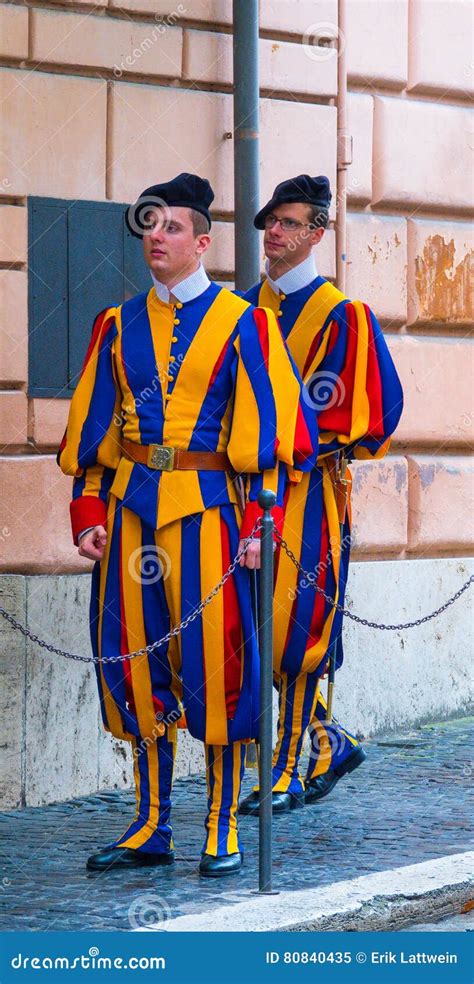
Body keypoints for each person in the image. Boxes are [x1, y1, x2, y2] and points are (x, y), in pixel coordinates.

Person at [57, 172, 317, 877]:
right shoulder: (115, 325)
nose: (155, 238)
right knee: (136, 669)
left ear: (202, 242)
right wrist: (87, 513)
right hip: (130, 513)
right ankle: (151, 825)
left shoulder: (246, 324)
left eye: (171, 228)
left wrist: (262, 524)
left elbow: (272, 433)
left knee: (216, 669)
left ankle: (219, 825)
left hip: (212, 517)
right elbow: (96, 431)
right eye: (149, 226)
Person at [239, 174, 404, 815]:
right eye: (270, 223)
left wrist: (291, 441)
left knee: (296, 624)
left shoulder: (341, 316)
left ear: (316, 233)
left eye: (288, 222)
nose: (274, 233)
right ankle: (328, 742)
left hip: (308, 493)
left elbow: (373, 412)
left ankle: (286, 767)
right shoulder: (242, 310)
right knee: (252, 626)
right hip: (244, 490)